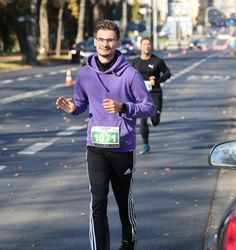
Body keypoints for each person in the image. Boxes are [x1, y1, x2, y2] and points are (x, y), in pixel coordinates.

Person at [56, 20, 156, 250]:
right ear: (95, 41)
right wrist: (72, 108)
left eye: (110, 40)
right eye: (101, 39)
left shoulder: (130, 75)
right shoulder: (84, 74)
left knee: (123, 202)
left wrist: (124, 107)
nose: (105, 44)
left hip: (122, 147)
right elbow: (81, 103)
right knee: (98, 203)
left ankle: (128, 242)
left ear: (118, 42)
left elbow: (148, 107)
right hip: (96, 147)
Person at [133, 37, 171, 154]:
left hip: (155, 93)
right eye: (144, 44)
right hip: (141, 95)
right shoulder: (135, 62)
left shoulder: (157, 61)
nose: (147, 46)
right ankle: (145, 144)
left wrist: (157, 80)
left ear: (151, 46)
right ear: (140, 46)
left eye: (149, 44)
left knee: (155, 120)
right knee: (142, 120)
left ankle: (155, 118)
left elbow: (167, 73)